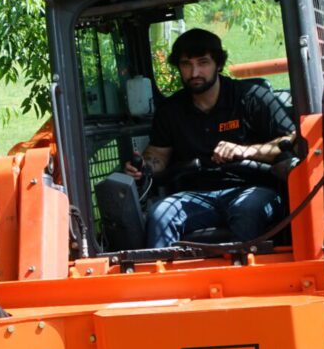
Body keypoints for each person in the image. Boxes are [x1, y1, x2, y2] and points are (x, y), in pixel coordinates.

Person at [125, 28, 299, 249]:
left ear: (218, 64)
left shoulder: (252, 97)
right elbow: (157, 156)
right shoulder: (171, 110)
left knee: (246, 210)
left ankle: (246, 280)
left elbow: (293, 140)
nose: (194, 72)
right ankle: (161, 281)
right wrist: (143, 166)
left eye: (203, 62)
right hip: (195, 195)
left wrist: (246, 151)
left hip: (253, 189)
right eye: (186, 64)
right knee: (161, 214)